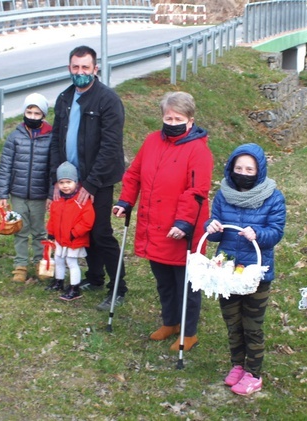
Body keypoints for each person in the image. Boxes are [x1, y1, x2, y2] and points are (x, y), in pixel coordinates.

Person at [113, 91, 212, 352]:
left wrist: (183, 223)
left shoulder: (199, 151)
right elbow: (134, 174)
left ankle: (189, 331)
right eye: (168, 117)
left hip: (183, 230)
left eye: (178, 118)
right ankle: (170, 322)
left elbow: (196, 191)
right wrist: (125, 201)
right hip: (154, 225)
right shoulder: (152, 141)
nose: (172, 122)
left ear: (190, 120)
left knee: (187, 284)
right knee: (163, 280)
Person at [48, 45, 127, 311]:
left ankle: (118, 287)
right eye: (75, 67)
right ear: (69, 68)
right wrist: (56, 180)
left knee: (101, 232)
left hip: (99, 180)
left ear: (95, 69)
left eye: (85, 67)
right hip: (71, 180)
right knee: (83, 231)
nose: (80, 72)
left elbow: (111, 145)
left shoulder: (108, 100)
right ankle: (94, 278)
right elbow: (56, 142)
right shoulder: (64, 98)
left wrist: (92, 183)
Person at [204, 143, 286, 396]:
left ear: (259, 171)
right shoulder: (223, 194)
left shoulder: (273, 196)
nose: (243, 173)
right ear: (231, 168)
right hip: (227, 270)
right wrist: (211, 227)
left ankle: (254, 372)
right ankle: (237, 365)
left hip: (256, 273)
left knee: (252, 324)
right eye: (239, 168)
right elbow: (214, 230)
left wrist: (258, 234)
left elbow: (276, 232)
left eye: (249, 169)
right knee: (232, 322)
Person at [0, 93, 53, 282]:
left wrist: (51, 194)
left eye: (37, 113)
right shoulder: (15, 136)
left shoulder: (51, 137)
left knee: (38, 230)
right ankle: (20, 264)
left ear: (43, 115)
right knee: (20, 229)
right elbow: (5, 166)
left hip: (39, 193)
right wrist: (2, 193)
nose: (32, 116)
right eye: (29, 112)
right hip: (18, 193)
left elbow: (53, 168)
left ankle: (40, 261)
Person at [46, 161, 95, 301]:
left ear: (76, 182)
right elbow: (53, 219)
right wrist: (51, 233)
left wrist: (74, 233)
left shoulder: (81, 201)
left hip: (74, 239)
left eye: (69, 182)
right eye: (61, 183)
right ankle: (58, 281)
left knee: (71, 262)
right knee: (59, 259)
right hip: (60, 238)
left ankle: (75, 288)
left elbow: (87, 221)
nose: (65, 186)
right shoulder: (57, 200)